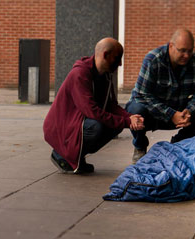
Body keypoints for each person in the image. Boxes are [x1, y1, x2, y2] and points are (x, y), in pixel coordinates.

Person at [43, 37, 144, 174]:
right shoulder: (80, 74)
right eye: (117, 58)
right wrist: (126, 121)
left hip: (79, 122)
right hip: (62, 127)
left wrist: (130, 117)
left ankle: (77, 156)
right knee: (96, 126)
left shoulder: (105, 76)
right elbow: (91, 111)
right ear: (105, 55)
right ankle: (61, 155)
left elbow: (111, 106)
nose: (120, 63)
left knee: (115, 126)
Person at [126, 28, 195, 164]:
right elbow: (142, 95)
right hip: (153, 113)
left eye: (190, 50)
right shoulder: (153, 60)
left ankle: (178, 145)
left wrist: (190, 111)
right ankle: (140, 146)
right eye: (182, 50)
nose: (187, 55)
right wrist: (171, 114)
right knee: (135, 109)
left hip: (180, 111)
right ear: (171, 46)